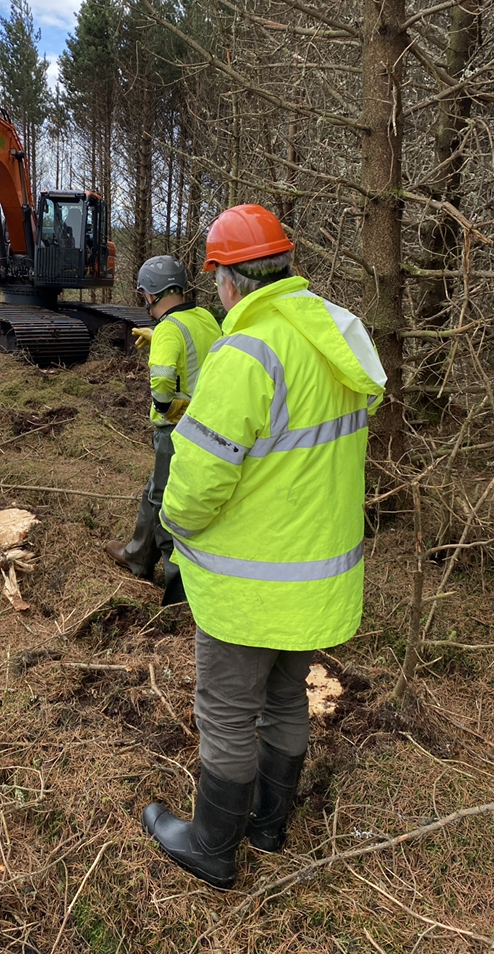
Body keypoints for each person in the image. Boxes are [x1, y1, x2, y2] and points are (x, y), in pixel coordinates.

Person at [142, 205, 387, 888]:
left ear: (227, 280)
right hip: (318, 577)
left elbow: (193, 485)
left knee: (224, 712)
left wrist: (178, 535)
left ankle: (213, 848)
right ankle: (270, 827)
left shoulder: (246, 352)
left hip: (247, 587)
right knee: (284, 701)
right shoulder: (335, 336)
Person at [104, 255, 221, 605]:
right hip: (208, 426)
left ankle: (178, 595)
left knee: (167, 504)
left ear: (152, 295)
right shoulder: (204, 318)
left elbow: (162, 389)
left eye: (144, 295)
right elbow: (195, 352)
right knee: (157, 491)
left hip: (177, 431)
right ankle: (137, 555)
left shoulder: (170, 329)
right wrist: (159, 336)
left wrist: (169, 410)